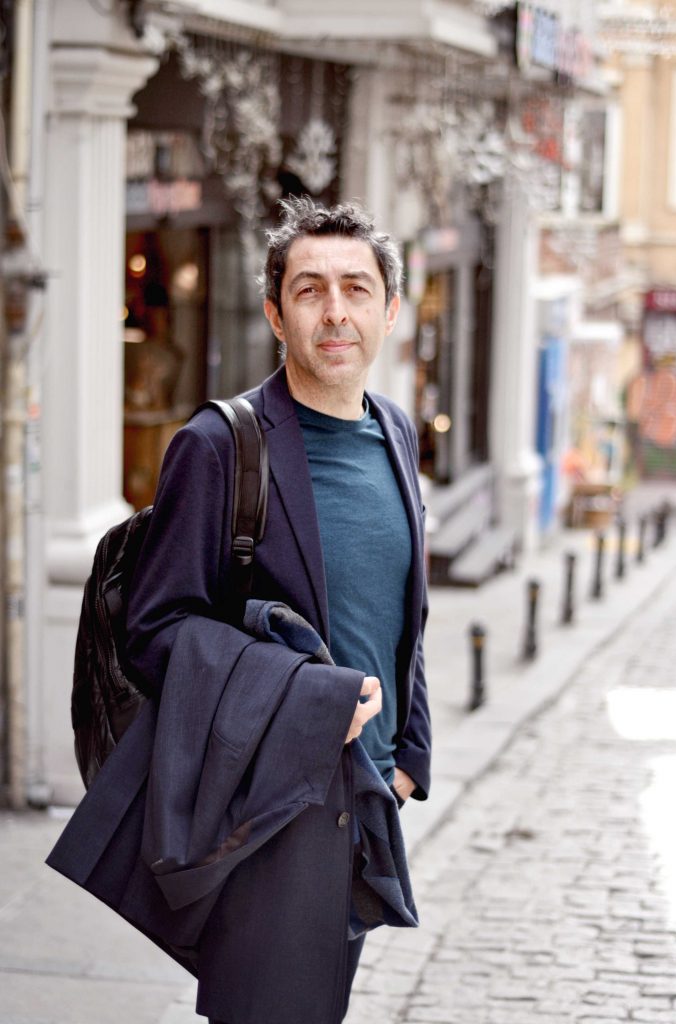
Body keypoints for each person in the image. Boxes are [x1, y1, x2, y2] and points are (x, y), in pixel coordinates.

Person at [50, 197, 431, 1024]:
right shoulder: (220, 446)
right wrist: (312, 702)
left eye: (357, 289)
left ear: (391, 310)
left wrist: (411, 757)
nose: (336, 311)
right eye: (309, 290)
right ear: (275, 314)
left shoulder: (397, 432)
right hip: (268, 798)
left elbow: (402, 612)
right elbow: (154, 632)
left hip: (368, 796)